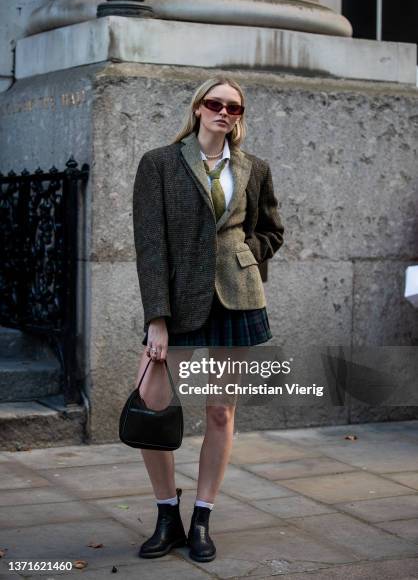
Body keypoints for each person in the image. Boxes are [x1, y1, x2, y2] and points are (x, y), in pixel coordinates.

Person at [132, 76, 284, 563]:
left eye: (234, 108)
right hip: (176, 303)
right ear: (198, 108)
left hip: (237, 299)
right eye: (215, 104)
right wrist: (157, 317)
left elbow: (271, 230)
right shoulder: (159, 163)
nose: (224, 113)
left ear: (239, 117)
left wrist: (243, 255)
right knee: (152, 408)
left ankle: (201, 517)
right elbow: (149, 245)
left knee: (220, 411)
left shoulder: (253, 168)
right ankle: (165, 515)